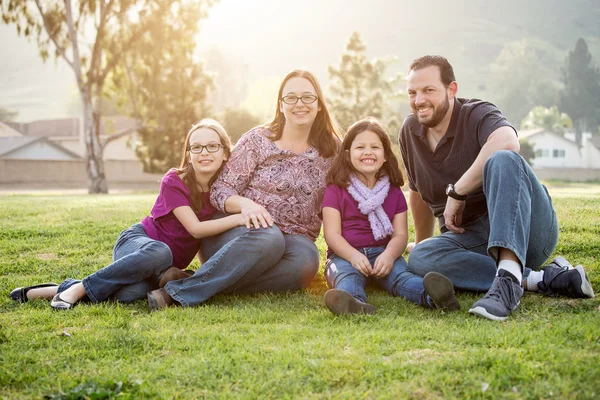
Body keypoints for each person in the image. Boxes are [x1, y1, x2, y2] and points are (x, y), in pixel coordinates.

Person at [399, 55, 595, 321]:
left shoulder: (477, 113)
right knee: (421, 258)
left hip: (526, 228)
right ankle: (538, 278)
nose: (419, 100)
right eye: (413, 92)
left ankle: (508, 283)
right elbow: (417, 193)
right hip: (470, 239)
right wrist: (424, 242)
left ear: (452, 89)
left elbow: (507, 142)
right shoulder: (410, 132)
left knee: (503, 158)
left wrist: (458, 192)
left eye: (428, 90)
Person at [147, 69, 343, 310]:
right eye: (291, 98)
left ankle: (192, 281)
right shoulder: (257, 140)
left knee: (307, 260)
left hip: (293, 241)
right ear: (281, 105)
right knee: (270, 237)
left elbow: (346, 194)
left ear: (319, 104)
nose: (299, 104)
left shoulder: (332, 151)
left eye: (307, 97)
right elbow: (220, 190)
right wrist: (247, 206)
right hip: (235, 233)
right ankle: (177, 294)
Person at [10, 119, 243, 309]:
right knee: (160, 251)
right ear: (188, 154)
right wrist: (241, 217)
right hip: (138, 245)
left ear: (225, 153)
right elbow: (196, 229)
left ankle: (60, 288)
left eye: (213, 146)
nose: (204, 152)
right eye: (196, 147)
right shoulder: (174, 181)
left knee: (128, 294)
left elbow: (204, 240)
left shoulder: (224, 194)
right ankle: (79, 289)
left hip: (160, 267)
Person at [321, 117, 460, 315]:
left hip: (383, 253)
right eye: (360, 147)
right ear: (347, 154)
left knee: (402, 278)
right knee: (346, 277)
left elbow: (400, 235)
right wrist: (353, 256)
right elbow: (332, 235)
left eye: (375, 147)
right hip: (345, 255)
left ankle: (435, 297)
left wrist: (389, 255)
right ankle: (352, 304)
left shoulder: (393, 192)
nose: (368, 152)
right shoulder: (335, 190)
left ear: (385, 154)